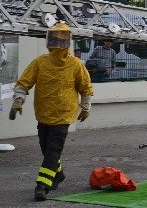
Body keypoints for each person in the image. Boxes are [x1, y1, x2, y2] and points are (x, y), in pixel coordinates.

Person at [9, 22, 94, 201]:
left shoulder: (75, 64)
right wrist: (18, 99)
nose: (57, 42)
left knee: (53, 150)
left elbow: (85, 87)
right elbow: (24, 82)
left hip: (64, 115)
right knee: (46, 148)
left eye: (60, 38)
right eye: (55, 37)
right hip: (44, 113)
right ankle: (58, 174)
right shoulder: (40, 62)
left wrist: (86, 106)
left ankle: (42, 185)